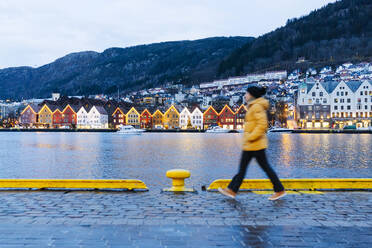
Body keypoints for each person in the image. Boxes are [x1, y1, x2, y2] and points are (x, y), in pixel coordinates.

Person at [218, 86, 286, 201]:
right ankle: (232, 190)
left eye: (246, 93)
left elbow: (262, 125)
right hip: (252, 144)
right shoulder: (253, 106)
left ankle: (279, 190)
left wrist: (251, 136)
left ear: (252, 95)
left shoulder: (257, 107)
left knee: (259, 168)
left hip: (255, 144)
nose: (245, 95)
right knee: (248, 169)